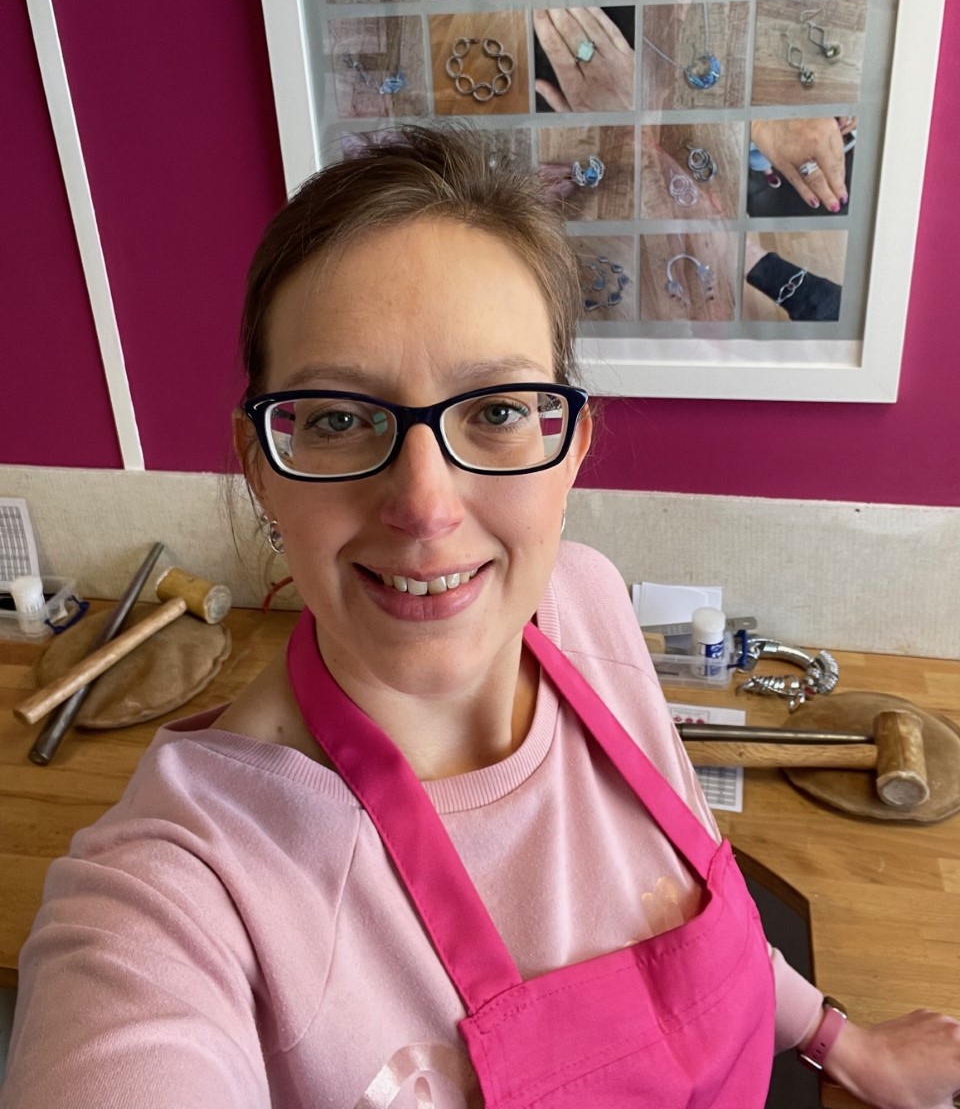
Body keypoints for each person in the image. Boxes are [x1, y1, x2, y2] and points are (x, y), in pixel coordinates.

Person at [2, 126, 959, 1109]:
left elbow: (678, 898)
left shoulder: (587, 603)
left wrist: (839, 1037)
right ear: (260, 466)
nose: (426, 505)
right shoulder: (182, 886)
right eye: (337, 416)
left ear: (572, 444)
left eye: (496, 410)